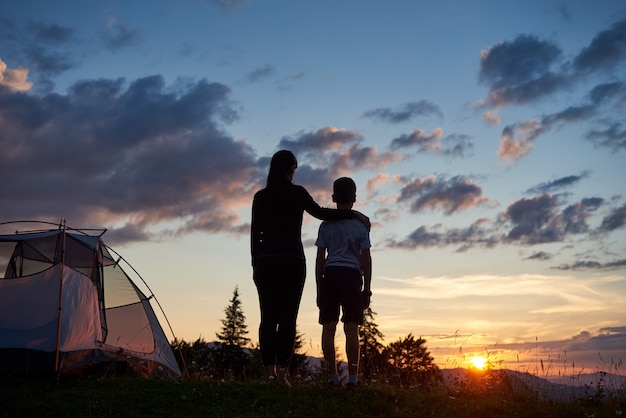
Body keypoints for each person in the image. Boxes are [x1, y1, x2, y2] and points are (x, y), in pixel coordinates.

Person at [251, 150, 370, 385]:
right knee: (288, 317)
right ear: (290, 169)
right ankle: (283, 374)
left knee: (267, 317)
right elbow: (321, 213)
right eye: (294, 169)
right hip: (292, 261)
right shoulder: (297, 193)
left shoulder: (260, 197)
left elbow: (255, 235)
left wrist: (255, 263)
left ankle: (269, 374)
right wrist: (353, 214)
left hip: (266, 261)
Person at [315, 177, 372, 389]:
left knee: (328, 327)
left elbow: (320, 258)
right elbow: (366, 258)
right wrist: (367, 288)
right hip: (351, 276)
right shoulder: (360, 226)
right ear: (355, 198)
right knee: (351, 328)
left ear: (333, 197)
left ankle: (332, 376)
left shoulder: (325, 225)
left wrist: (319, 287)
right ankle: (354, 378)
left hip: (330, 275)